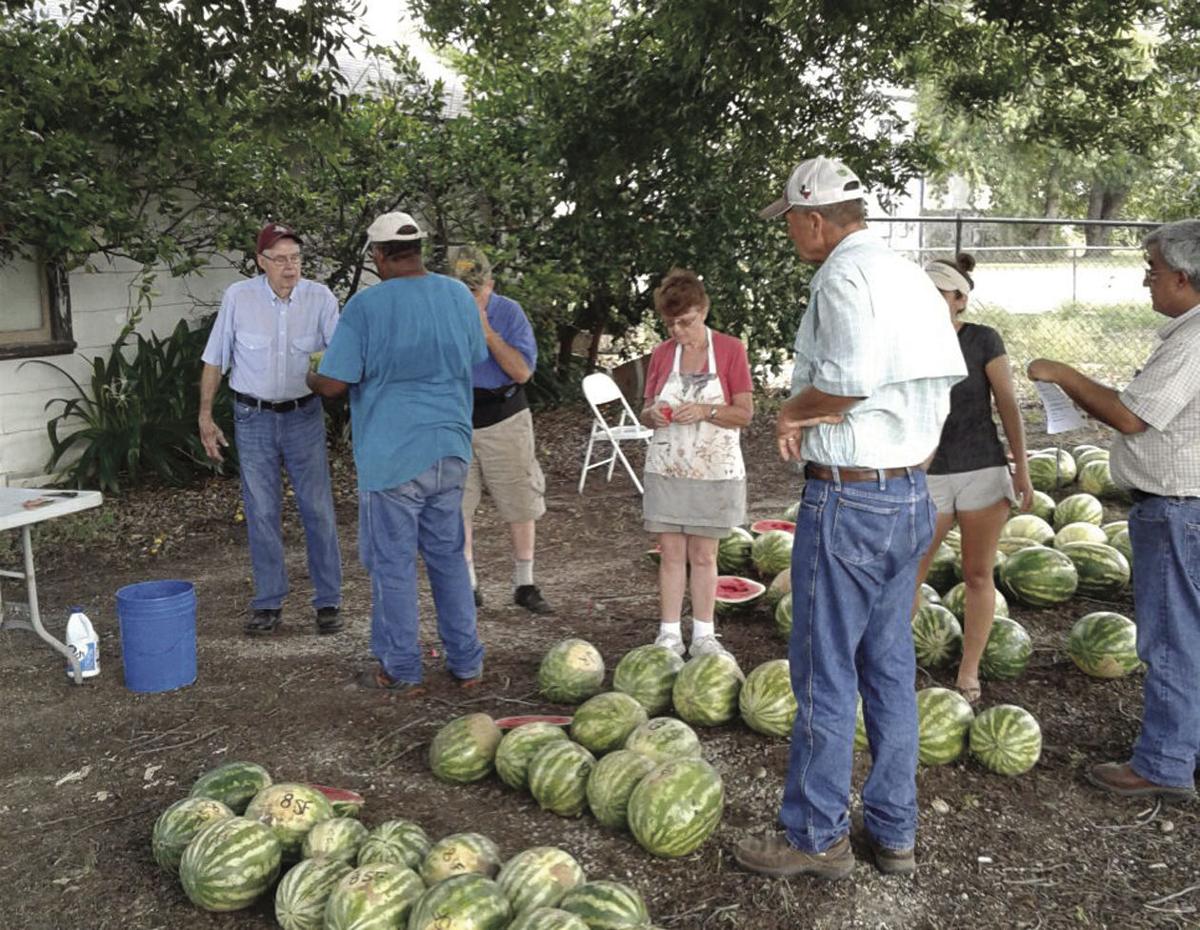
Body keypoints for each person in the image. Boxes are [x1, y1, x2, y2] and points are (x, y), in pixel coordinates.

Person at [733, 156, 966, 880]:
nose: (791, 235)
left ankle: (814, 836)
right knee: (889, 667)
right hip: (908, 499)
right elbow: (939, 387)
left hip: (849, 499)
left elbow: (848, 383)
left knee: (825, 672)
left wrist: (789, 413)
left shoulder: (840, 276)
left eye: (791, 223)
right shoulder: (909, 275)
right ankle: (895, 831)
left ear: (812, 218)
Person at [1028, 219, 1200, 802]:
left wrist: (1065, 375)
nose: (1145, 280)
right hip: (1181, 508)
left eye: (1152, 270)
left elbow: (1132, 417)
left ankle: (1165, 763)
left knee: (1173, 639)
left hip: (1179, 510)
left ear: (1182, 275)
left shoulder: (1194, 338)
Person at [307, 211, 487, 693]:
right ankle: (467, 665)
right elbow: (473, 358)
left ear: (378, 255)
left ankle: (402, 668)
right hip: (451, 447)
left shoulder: (367, 307)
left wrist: (312, 376)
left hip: (392, 458)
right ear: (419, 249)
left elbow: (334, 383)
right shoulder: (456, 295)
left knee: (394, 564)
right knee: (449, 558)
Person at [198, 222, 343, 636]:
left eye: (295, 257)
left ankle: (328, 601)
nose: (290, 267)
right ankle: (268, 602)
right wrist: (205, 416)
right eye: (279, 259)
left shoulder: (320, 298)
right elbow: (214, 359)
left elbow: (343, 355)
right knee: (261, 510)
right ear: (261, 262)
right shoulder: (239, 298)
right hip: (253, 418)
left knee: (317, 507)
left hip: (304, 415)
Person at [911, 253, 1034, 704]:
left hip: (982, 470)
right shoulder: (910, 342)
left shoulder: (984, 340)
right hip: (928, 476)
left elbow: (1007, 404)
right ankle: (896, 666)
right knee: (911, 576)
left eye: (939, 294)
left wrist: (1021, 469)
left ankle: (968, 672)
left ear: (960, 299)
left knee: (978, 575)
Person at [639, 269, 754, 659]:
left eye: (685, 322)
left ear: (703, 310)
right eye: (670, 323)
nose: (678, 331)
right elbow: (645, 409)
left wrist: (706, 410)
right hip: (667, 468)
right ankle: (669, 634)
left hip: (714, 471)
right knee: (671, 555)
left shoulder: (730, 350)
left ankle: (704, 634)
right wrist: (652, 415)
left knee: (704, 555)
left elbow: (744, 413)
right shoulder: (660, 355)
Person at [448, 245, 553, 615]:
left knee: (520, 501)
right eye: (463, 289)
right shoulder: (443, 313)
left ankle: (525, 582)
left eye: (476, 289)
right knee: (458, 505)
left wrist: (487, 330)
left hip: (506, 414)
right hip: (458, 417)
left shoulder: (509, 312)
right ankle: (469, 584)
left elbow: (522, 372)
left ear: (490, 284)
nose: (470, 296)